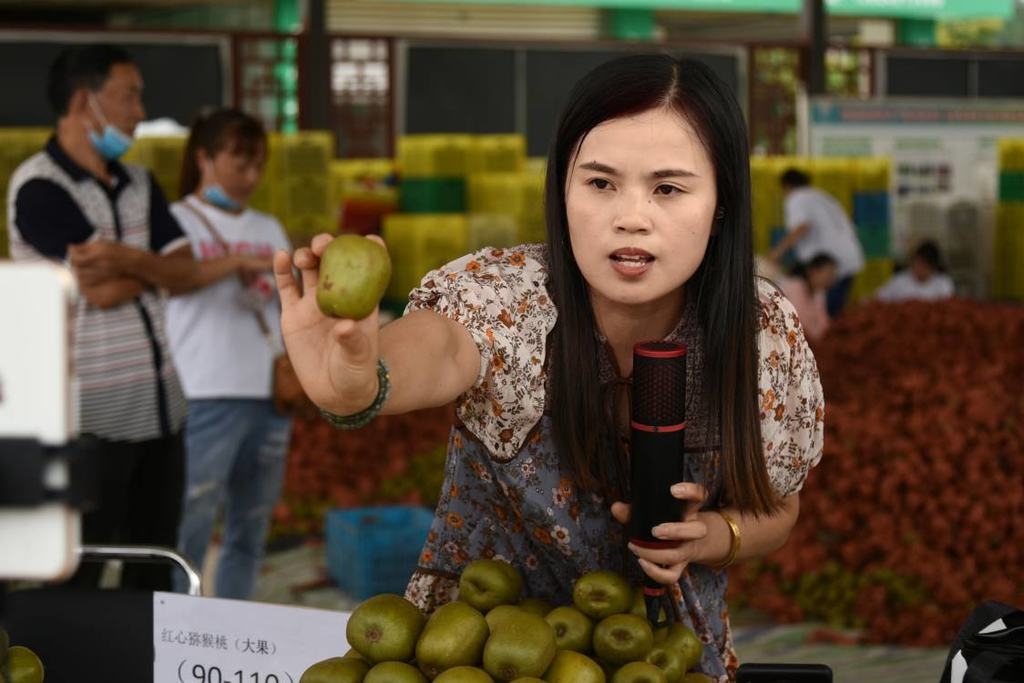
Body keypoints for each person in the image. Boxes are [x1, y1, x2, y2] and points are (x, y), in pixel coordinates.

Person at [274, 55, 825, 681]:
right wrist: (358, 378)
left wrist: (713, 536)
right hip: (473, 659)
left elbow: (778, 511)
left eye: (668, 188)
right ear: (561, 189)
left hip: (662, 662)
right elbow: (442, 348)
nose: (631, 217)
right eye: (599, 183)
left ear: (722, 201)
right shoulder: (506, 296)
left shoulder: (760, 333)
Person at [5, 44, 201, 591]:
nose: (140, 111)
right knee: (81, 567)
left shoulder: (139, 183)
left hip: (163, 407)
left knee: (155, 561)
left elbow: (184, 272)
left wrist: (127, 260)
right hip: (89, 414)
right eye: (129, 95)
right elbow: (104, 290)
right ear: (85, 102)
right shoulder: (39, 186)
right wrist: (155, 269)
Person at [165, 108, 292, 599]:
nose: (251, 177)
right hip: (204, 391)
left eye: (258, 165)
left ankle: (235, 625)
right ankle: (177, 626)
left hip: (270, 393)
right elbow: (175, 280)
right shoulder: (177, 223)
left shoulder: (268, 225)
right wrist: (237, 262)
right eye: (239, 164)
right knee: (190, 524)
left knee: (250, 528)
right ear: (203, 157)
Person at [769, 168, 864, 317]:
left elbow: (801, 227)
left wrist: (776, 253)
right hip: (848, 259)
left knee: (825, 315)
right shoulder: (822, 196)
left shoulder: (797, 198)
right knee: (830, 314)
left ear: (786, 186)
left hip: (829, 265)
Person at [779, 253, 838, 344]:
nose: (831, 280)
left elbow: (823, 323)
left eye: (832, 276)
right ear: (813, 271)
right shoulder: (793, 286)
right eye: (828, 275)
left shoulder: (819, 293)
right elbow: (796, 320)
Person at [876, 240, 955, 303]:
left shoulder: (943, 283)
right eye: (917, 263)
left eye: (924, 266)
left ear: (933, 267)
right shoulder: (899, 282)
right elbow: (878, 299)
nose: (919, 268)